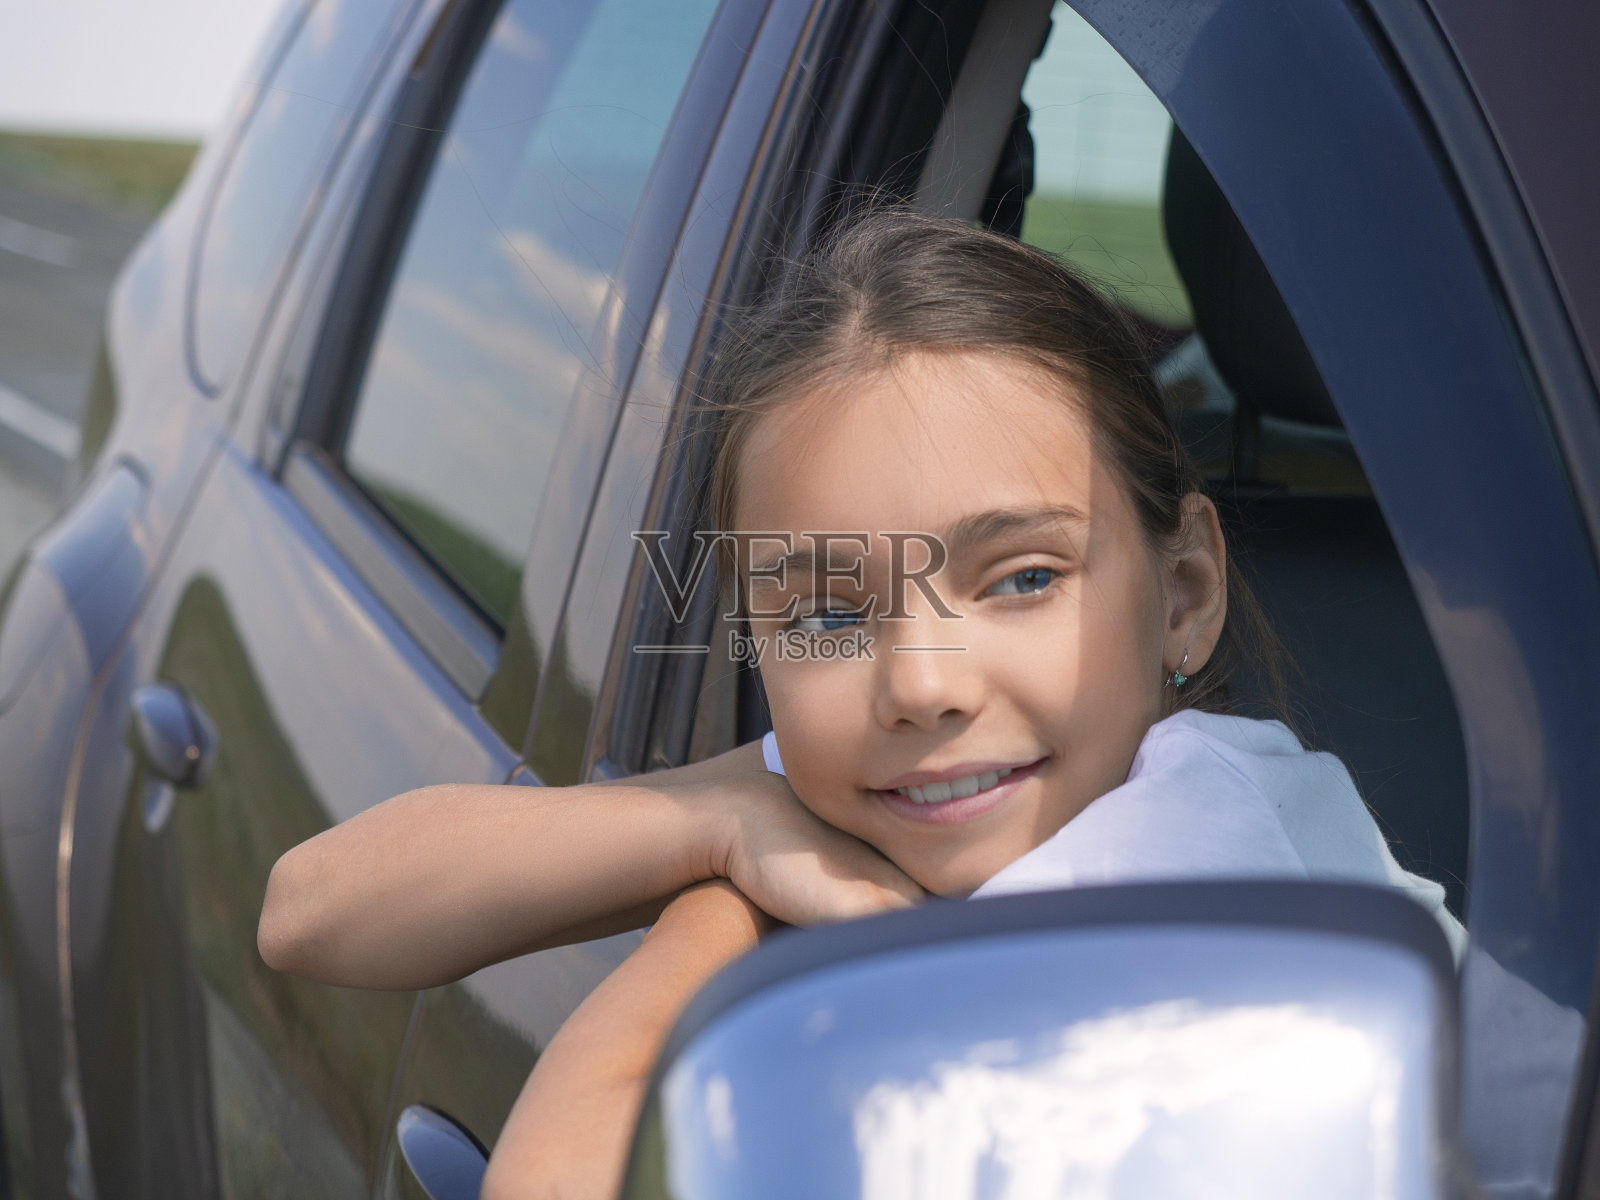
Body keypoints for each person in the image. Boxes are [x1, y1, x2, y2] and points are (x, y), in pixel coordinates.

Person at [257, 210, 1467, 1200]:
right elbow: (308, 910)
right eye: (828, 616)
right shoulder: (883, 791)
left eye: (1025, 578)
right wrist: (727, 825)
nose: (924, 685)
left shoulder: (1200, 847)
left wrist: (710, 916)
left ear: (1185, 592)